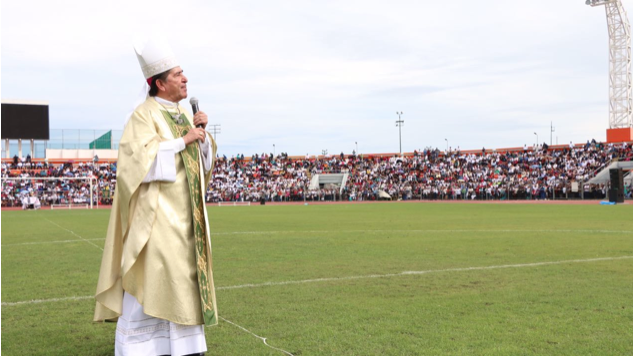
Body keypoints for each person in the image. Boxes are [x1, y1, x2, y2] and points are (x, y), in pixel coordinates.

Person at [94, 38, 218, 356]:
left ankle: (187, 347)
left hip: (188, 220)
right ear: (160, 83)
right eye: (178, 74)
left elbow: (201, 167)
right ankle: (142, 349)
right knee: (153, 278)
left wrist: (203, 141)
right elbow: (135, 163)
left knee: (184, 282)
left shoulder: (185, 115)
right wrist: (182, 142)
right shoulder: (142, 115)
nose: (185, 78)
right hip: (156, 219)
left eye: (183, 73)